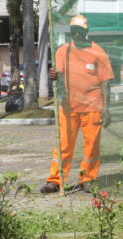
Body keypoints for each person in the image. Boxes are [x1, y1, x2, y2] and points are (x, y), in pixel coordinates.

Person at [41, 15, 114, 194]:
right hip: (68, 107)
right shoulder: (62, 51)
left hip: (93, 106)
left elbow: (106, 82)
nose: (77, 34)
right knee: (64, 144)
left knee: (91, 145)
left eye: (80, 31)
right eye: (74, 31)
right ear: (70, 32)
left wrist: (106, 109)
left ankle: (88, 179)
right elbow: (58, 78)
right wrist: (53, 76)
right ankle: (56, 180)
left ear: (86, 31)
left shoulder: (98, 51)